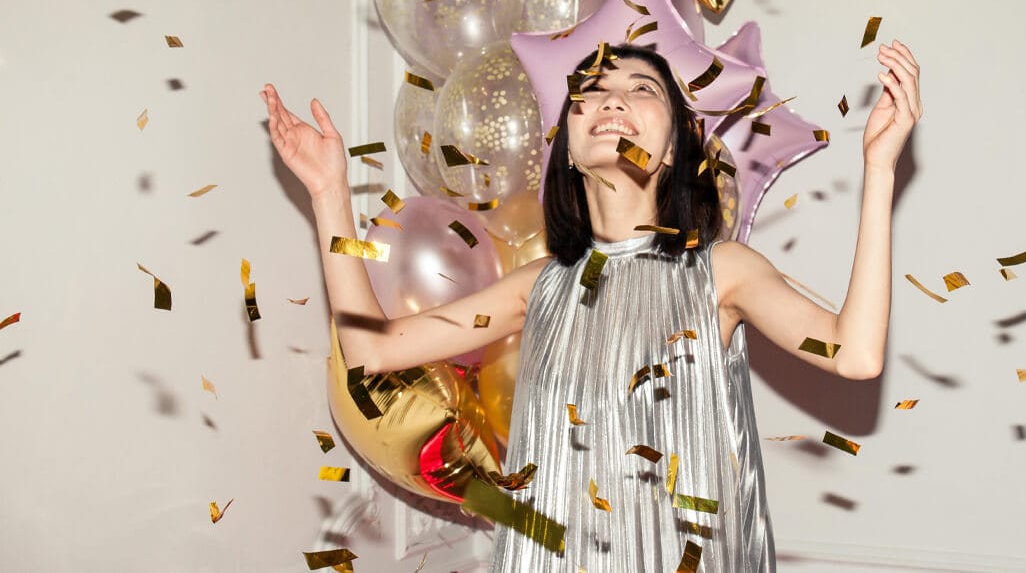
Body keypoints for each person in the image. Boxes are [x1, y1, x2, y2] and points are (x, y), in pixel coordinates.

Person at [263, 39, 922, 570]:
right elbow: (371, 349)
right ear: (571, 150)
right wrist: (329, 196)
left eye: (642, 89)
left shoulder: (722, 273)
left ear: (671, 149)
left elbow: (855, 355)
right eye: (593, 92)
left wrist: (881, 172)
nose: (613, 100)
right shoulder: (539, 288)